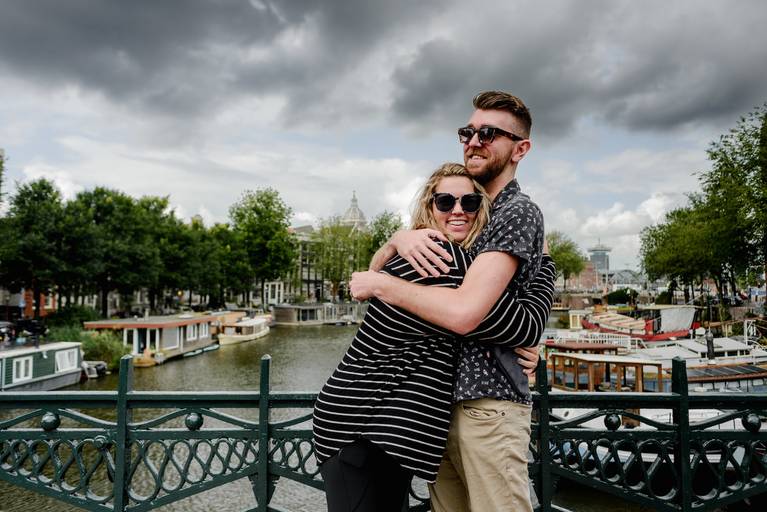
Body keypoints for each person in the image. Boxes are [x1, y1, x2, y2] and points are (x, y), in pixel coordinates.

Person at [313, 162, 555, 512]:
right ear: (429, 207)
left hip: (379, 431)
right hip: (361, 430)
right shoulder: (443, 260)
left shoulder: (428, 253)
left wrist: (392, 244)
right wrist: (545, 261)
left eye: (469, 203)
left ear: (481, 210)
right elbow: (524, 326)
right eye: (445, 202)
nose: (458, 211)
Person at [350, 91, 545, 512]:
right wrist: (395, 241)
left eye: (489, 134)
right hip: (440, 410)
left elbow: (462, 311)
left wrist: (379, 283)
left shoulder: (516, 212)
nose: (474, 141)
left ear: (520, 149)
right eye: (468, 132)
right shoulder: (477, 221)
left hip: (487, 405)